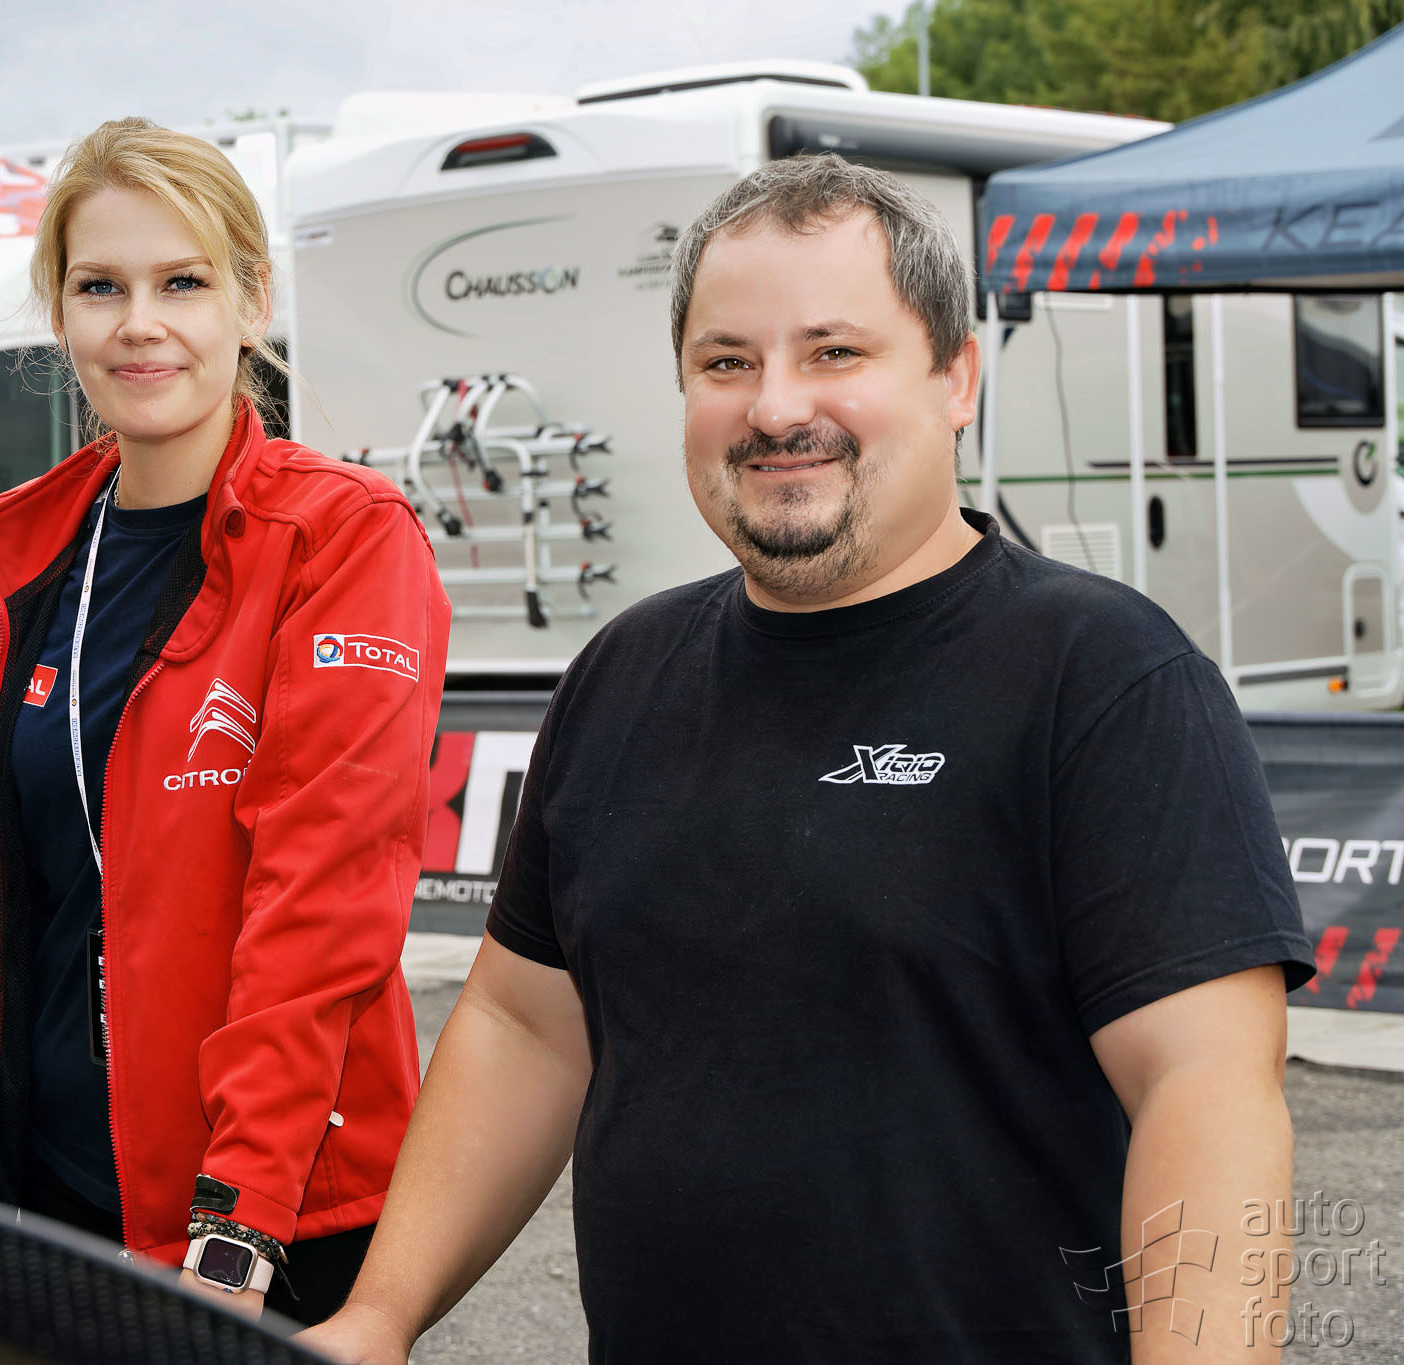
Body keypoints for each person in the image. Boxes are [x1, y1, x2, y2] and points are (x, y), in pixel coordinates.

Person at [303, 154, 1315, 1363]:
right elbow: (527, 1028)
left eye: (833, 352)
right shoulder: (621, 674)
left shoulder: (1101, 677)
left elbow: (1204, 1089)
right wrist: (378, 1315)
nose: (776, 408)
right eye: (726, 362)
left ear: (954, 378)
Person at [0, 117, 450, 1326]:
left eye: (181, 282)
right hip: (45, 1201)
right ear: (60, 311)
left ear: (250, 301)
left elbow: (321, 906)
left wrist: (234, 1231)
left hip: (273, 1222)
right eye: (101, 287)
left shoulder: (341, 540)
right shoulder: (5, 558)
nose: (140, 323)